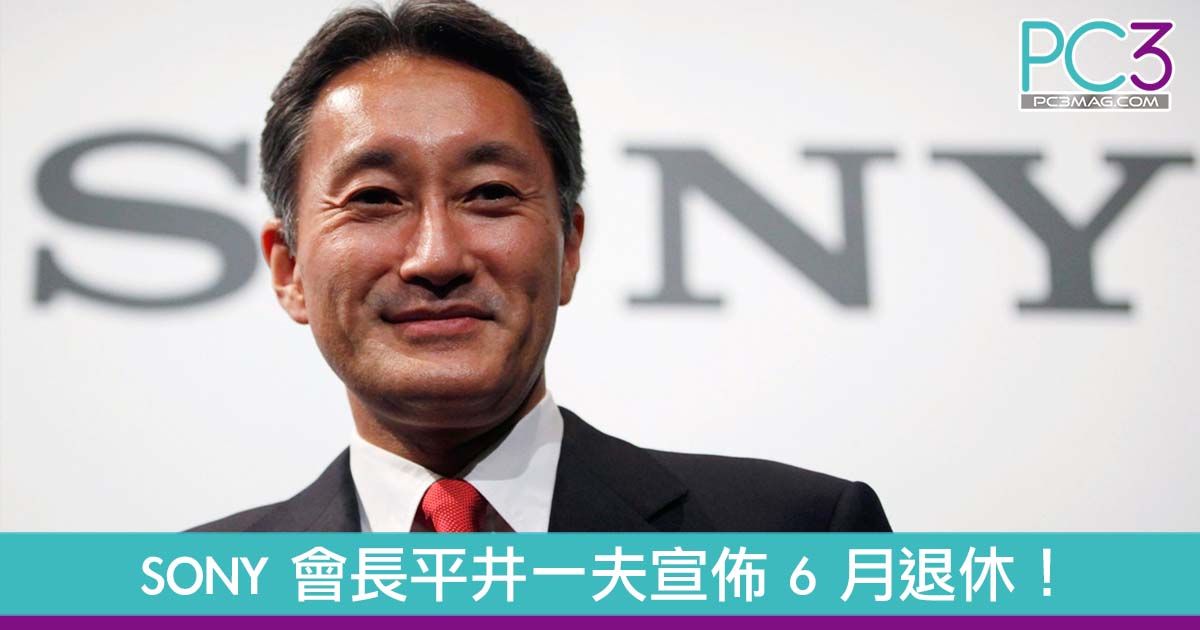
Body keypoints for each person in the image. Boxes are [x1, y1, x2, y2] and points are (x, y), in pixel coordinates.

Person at [194, 0, 890, 533]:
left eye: (489, 193)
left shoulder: (800, 535)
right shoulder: (195, 593)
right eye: (375, 198)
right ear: (288, 270)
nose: (437, 258)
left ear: (569, 247)